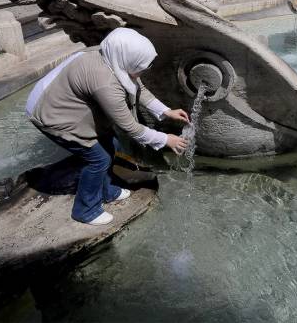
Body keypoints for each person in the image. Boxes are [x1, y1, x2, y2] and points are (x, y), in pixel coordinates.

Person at [26, 28, 190, 226]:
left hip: (58, 100)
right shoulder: (105, 83)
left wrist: (166, 111)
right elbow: (129, 126)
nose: (144, 71)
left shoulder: (111, 56)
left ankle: (108, 190)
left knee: (109, 143)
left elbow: (137, 87)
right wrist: (166, 139)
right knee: (98, 160)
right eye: (141, 67)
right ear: (125, 59)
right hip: (50, 114)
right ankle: (86, 210)